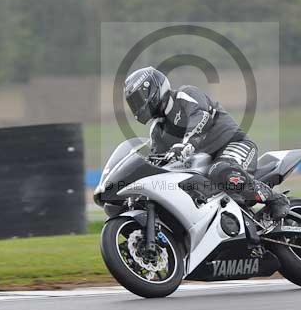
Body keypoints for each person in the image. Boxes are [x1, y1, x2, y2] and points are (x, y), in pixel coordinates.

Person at [123, 66, 290, 219]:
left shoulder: (184, 95)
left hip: (234, 144)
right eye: (133, 103)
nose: (138, 106)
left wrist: (186, 144)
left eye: (139, 99)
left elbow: (201, 117)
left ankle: (275, 199)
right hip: (206, 165)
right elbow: (157, 162)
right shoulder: (157, 130)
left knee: (221, 170)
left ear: (152, 89)